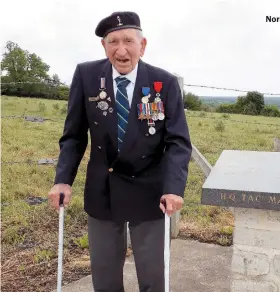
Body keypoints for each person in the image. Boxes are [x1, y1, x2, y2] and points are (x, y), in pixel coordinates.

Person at [48, 11, 192, 292]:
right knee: (105, 278)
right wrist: (63, 179)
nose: (121, 50)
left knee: (153, 277)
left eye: (128, 41)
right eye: (113, 42)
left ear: (143, 45)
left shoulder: (164, 83)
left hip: (150, 191)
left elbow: (177, 141)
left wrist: (174, 188)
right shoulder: (87, 76)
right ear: (104, 46)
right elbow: (74, 136)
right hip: (104, 189)